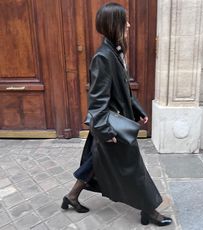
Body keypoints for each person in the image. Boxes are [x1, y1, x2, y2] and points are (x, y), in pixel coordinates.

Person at [61, 2, 172, 227]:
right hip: (111, 125)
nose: (129, 25)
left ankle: (71, 197)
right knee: (133, 167)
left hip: (114, 120)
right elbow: (98, 100)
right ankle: (149, 210)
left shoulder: (115, 52)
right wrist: (104, 131)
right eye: (125, 21)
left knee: (96, 160)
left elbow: (122, 89)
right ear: (115, 25)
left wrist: (139, 110)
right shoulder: (103, 57)